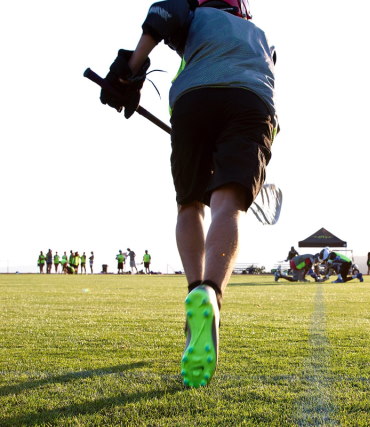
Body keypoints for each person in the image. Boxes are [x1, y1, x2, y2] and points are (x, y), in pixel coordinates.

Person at [98, 0, 277, 388]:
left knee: (190, 204)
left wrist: (130, 71)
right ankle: (213, 294)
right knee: (228, 203)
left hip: (193, 100)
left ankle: (196, 290)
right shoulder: (260, 36)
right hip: (253, 101)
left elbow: (164, 14)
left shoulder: (196, 13)